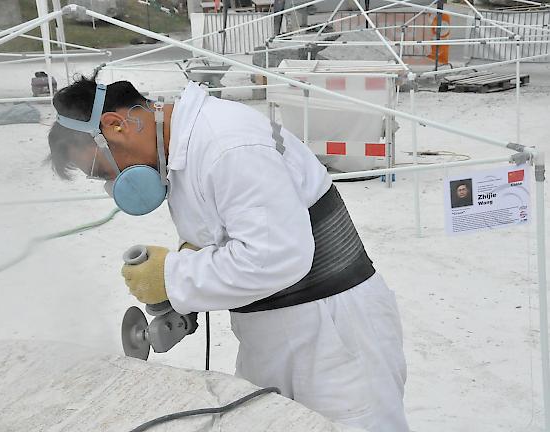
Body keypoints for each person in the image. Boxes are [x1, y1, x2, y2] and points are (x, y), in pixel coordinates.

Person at [47, 71, 409, 432]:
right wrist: (183, 287)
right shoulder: (186, 149)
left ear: (115, 126)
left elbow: (275, 256)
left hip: (332, 335)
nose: (112, 183)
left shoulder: (227, 145)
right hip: (276, 331)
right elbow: (229, 235)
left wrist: (172, 276)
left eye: (99, 169)